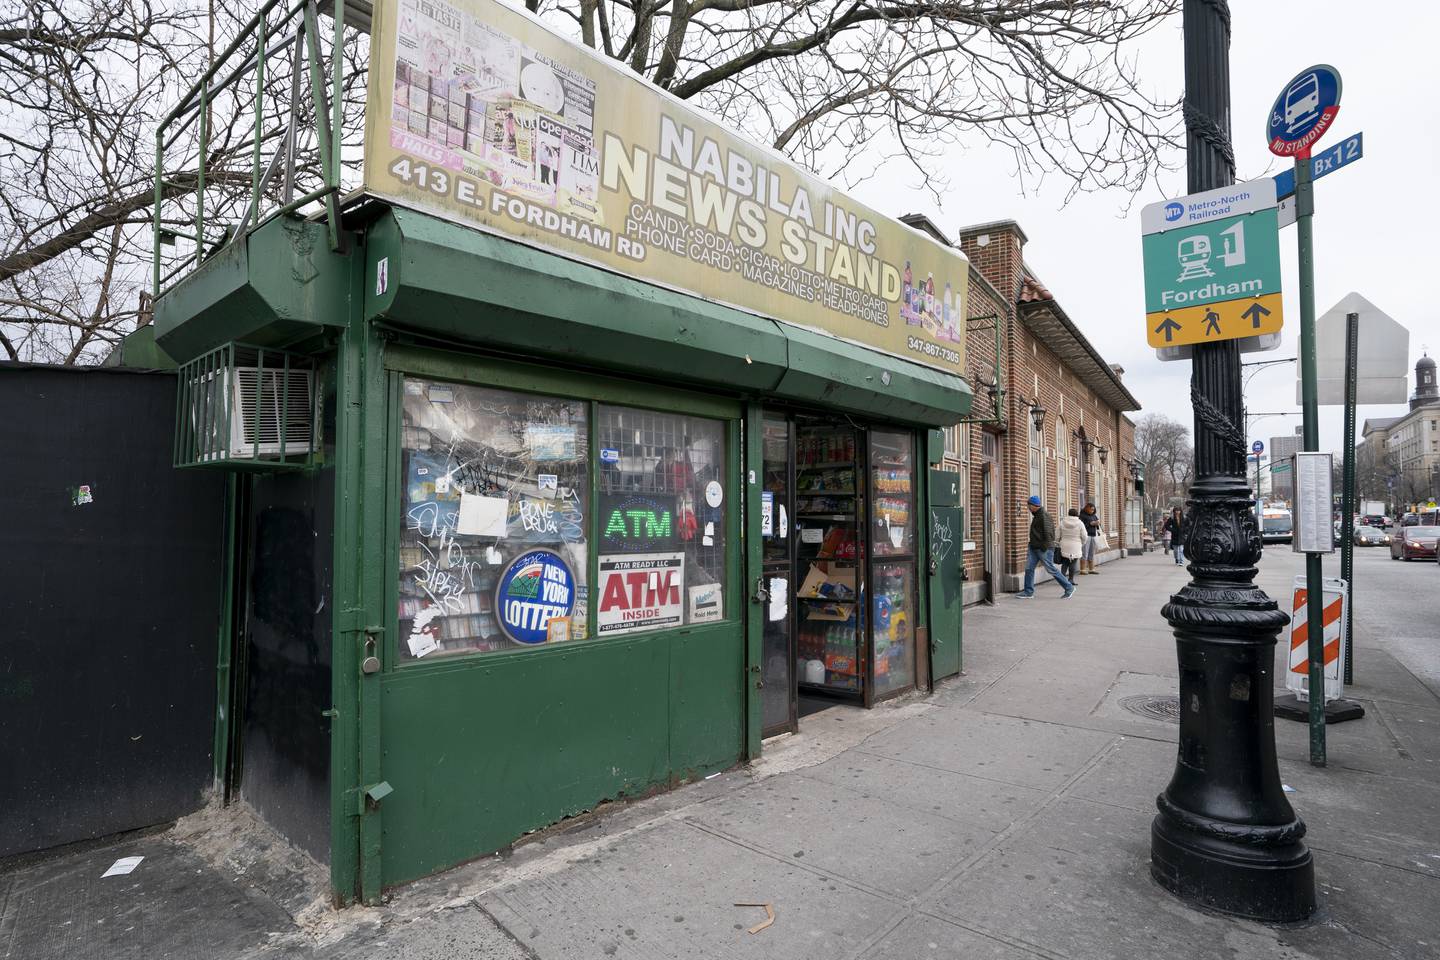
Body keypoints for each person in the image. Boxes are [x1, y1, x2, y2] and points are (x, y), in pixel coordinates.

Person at [1015, 495, 1075, 599]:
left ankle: (1069, 587)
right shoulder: (1037, 515)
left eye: (1029, 505)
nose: (1028, 508)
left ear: (1034, 505)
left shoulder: (1043, 515)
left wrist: (1044, 547)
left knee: (1051, 569)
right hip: (1034, 547)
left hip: (1043, 548)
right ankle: (1028, 592)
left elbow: (1049, 534)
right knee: (1029, 569)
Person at [1058, 508, 1086, 583]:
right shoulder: (1080, 523)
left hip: (1064, 544)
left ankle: (1062, 579)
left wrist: (1058, 542)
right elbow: (1084, 536)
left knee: (1064, 563)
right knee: (1073, 563)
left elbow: (1057, 534)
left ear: (1068, 513)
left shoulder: (1062, 522)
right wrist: (1082, 543)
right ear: (1077, 514)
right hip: (1076, 545)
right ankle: (1071, 579)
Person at [1079, 501, 1101, 574]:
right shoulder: (1082, 516)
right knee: (1084, 552)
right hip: (1086, 536)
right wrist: (1090, 524)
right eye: (1091, 509)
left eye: (1093, 509)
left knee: (1091, 552)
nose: (1092, 511)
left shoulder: (1094, 516)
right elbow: (1081, 527)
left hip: (1093, 535)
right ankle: (1083, 569)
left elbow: (1097, 525)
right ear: (1087, 508)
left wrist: (1097, 523)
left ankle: (1091, 569)